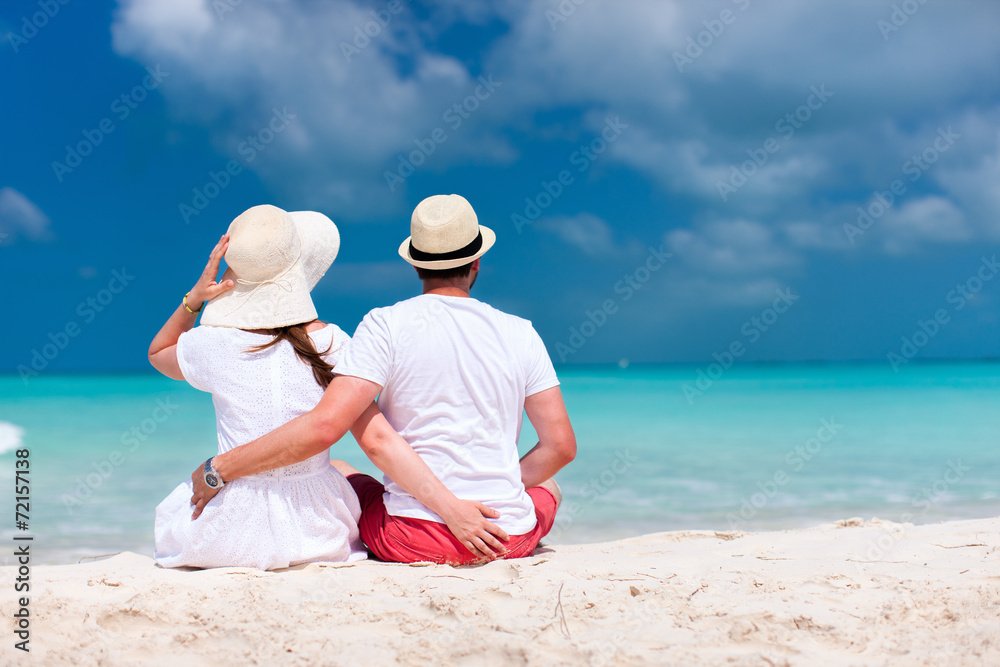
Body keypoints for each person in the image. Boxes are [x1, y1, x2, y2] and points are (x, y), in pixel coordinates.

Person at [190, 194, 577, 565]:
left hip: (410, 537)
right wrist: (494, 492)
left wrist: (219, 468)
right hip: (505, 538)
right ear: (476, 262)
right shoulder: (520, 332)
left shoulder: (384, 326)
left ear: (415, 264)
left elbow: (336, 429)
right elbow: (560, 447)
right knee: (549, 489)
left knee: (343, 470)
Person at [148, 205, 368, 570]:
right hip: (318, 531)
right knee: (342, 468)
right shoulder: (332, 343)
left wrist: (194, 299)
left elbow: (158, 353)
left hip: (228, 532)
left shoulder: (213, 344)